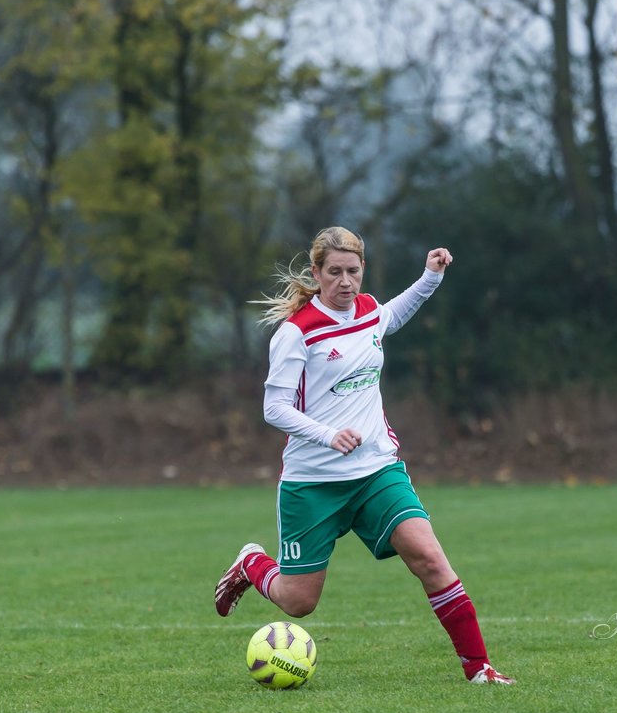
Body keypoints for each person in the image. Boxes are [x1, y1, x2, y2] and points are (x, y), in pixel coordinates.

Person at [214, 226, 512, 685]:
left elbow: (391, 315)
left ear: (363, 269)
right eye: (334, 272)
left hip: (377, 469)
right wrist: (328, 435)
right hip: (313, 481)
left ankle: (480, 669)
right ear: (316, 273)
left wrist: (430, 277)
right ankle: (252, 563)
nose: (345, 282)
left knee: (430, 558)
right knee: (299, 602)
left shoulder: (368, 311)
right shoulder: (296, 333)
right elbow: (273, 409)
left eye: (353, 271)